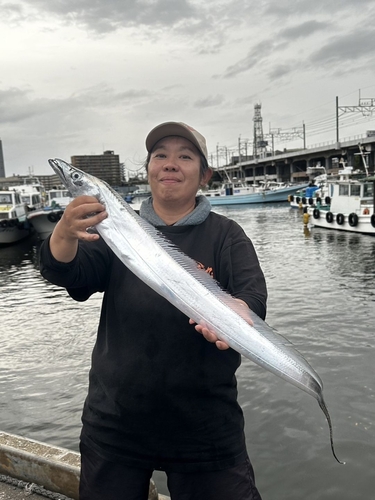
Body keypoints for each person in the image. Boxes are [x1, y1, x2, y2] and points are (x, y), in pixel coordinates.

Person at [39, 122, 267, 500]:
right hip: (116, 422)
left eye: (184, 156)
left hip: (205, 426)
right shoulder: (115, 230)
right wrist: (63, 232)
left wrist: (238, 314)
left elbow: (252, 297)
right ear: (148, 169)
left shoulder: (227, 236)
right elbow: (68, 274)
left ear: (204, 174)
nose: (170, 164)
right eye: (160, 155)